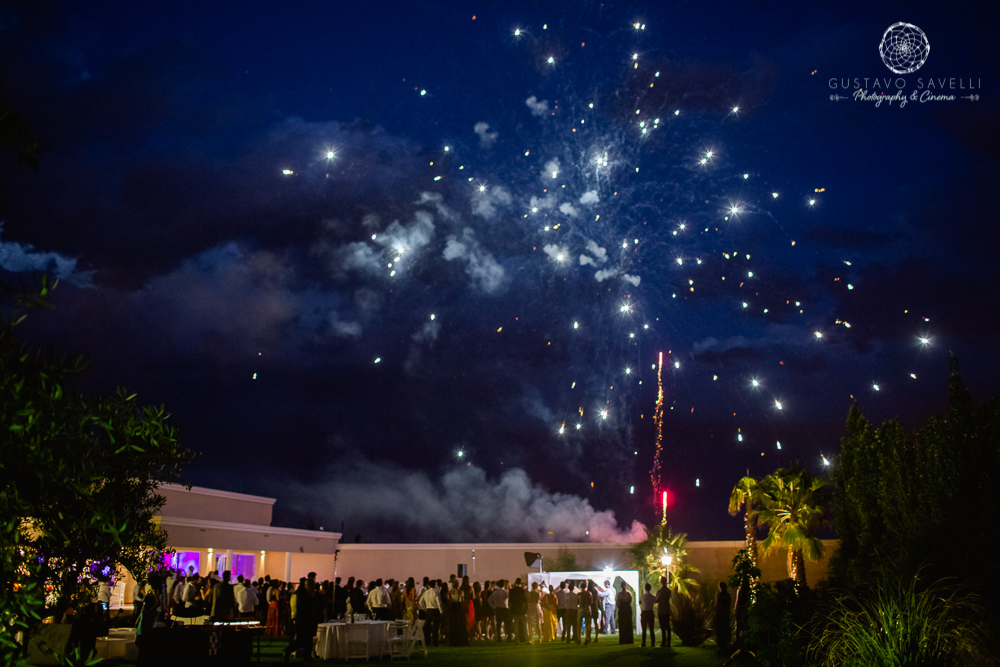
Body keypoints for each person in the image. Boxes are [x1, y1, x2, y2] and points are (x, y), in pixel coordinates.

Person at [284, 579, 316, 661]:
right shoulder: (303, 594)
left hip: (305, 620)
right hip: (303, 620)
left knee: (306, 640)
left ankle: (306, 656)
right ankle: (289, 651)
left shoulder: (303, 593)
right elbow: (303, 608)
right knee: (301, 640)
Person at [418, 579, 442, 647]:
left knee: (427, 627)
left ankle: (426, 641)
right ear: (435, 585)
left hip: (428, 610)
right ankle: (435, 642)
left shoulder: (426, 592)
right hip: (435, 610)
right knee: (435, 627)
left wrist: (424, 608)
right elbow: (438, 602)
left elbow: (420, 602)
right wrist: (441, 610)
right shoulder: (436, 592)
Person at [508, 578, 527, 643]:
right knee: (524, 625)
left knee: (516, 625)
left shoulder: (512, 591)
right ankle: (525, 638)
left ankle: (517, 638)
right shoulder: (522, 591)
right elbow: (524, 601)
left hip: (514, 609)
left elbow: (510, 601)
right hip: (521, 609)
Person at [715, 582, 732, 653]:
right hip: (726, 614)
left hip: (720, 614)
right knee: (725, 630)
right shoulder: (728, 595)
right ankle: (725, 645)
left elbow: (717, 605)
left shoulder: (719, 595)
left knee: (720, 630)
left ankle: (720, 646)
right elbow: (729, 605)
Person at [656, 576, 672, 648]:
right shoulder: (668, 591)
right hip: (667, 609)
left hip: (661, 609)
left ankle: (664, 641)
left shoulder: (659, 591)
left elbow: (656, 600)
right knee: (667, 626)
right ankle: (668, 642)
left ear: (661, 582)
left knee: (663, 626)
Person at [639, 582, 656, 647]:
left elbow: (640, 602)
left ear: (645, 588)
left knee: (644, 629)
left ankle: (643, 643)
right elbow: (655, 601)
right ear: (650, 588)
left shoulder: (642, 596)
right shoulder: (652, 597)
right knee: (651, 629)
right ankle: (652, 643)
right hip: (650, 613)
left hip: (644, 613)